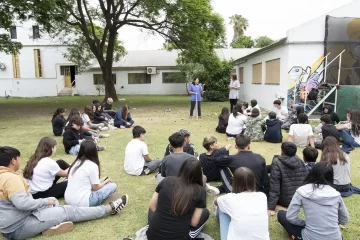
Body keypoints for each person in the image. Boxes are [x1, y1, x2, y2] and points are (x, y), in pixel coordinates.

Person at [0, 146, 128, 240]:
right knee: (68, 211)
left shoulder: (3, 175)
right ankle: (109, 209)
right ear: (13, 161)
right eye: (18, 158)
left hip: (13, 222)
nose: (19, 161)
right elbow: (23, 204)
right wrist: (45, 201)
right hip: (18, 227)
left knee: (53, 201)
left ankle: (52, 223)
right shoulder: (10, 178)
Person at [277, 161, 349, 240]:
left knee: (281, 214)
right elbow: (344, 219)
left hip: (308, 237)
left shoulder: (302, 191)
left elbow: (291, 217)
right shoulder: (336, 194)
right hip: (336, 238)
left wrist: (304, 223)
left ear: (312, 173)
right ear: (331, 176)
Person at [146, 159, 209, 240]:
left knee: (154, 210)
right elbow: (193, 223)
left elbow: (152, 206)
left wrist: (164, 216)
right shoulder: (200, 191)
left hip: (152, 236)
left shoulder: (166, 180)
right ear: (199, 173)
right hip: (180, 237)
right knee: (205, 212)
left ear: (182, 169)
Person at [214, 167, 270, 240]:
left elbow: (216, 201)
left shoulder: (230, 198)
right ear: (253, 181)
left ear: (235, 182)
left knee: (222, 209)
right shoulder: (262, 196)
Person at [65, 141, 117, 207]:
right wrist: (106, 181)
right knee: (113, 186)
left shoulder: (75, 163)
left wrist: (101, 180)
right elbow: (96, 187)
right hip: (83, 202)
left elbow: (87, 182)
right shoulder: (92, 165)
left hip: (68, 199)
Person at [268, 142, 308, 216]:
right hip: (299, 198)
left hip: (285, 201)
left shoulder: (277, 162)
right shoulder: (300, 161)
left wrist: (271, 207)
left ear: (282, 151)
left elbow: (274, 187)